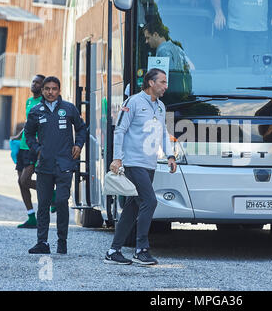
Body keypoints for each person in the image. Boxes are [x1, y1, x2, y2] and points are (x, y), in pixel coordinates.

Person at [104, 68, 177, 266]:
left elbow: (164, 133)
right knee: (150, 201)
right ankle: (141, 249)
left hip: (149, 163)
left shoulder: (161, 106)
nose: (165, 86)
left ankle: (113, 251)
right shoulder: (133, 102)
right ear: (151, 83)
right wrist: (117, 159)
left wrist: (170, 155)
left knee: (132, 207)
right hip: (133, 162)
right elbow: (120, 130)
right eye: (162, 82)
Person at [25, 76, 86, 254]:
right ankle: (42, 242)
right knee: (43, 204)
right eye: (47, 89)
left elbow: (81, 128)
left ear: (59, 90)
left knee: (60, 201)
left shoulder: (69, 108)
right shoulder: (36, 111)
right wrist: (36, 148)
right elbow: (28, 134)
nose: (50, 92)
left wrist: (78, 144)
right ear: (43, 91)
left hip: (65, 163)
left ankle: (62, 241)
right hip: (44, 164)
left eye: (54, 89)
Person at [12, 75, 58, 229]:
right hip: (23, 146)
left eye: (38, 82)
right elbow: (28, 123)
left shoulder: (45, 103)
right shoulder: (29, 101)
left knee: (25, 180)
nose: (34, 84)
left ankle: (52, 195)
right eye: (33, 81)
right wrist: (17, 137)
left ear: (43, 86)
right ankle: (31, 217)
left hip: (35, 147)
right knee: (21, 183)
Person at [210, 0, 272, 66]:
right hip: (236, 30)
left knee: (257, 67)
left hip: (260, 32)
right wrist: (218, 12)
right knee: (236, 67)